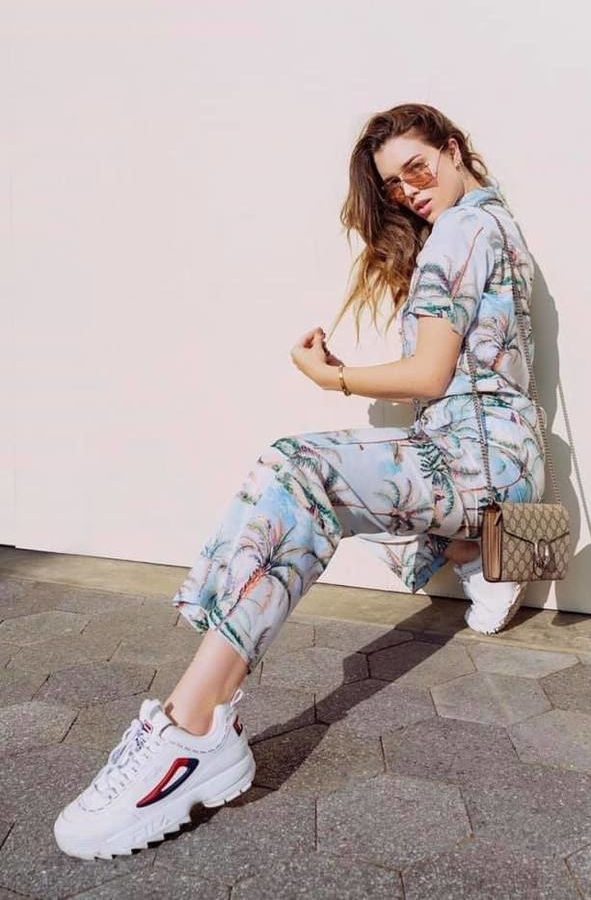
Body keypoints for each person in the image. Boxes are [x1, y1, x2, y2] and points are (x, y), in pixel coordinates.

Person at [53, 103, 545, 859]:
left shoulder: (462, 231)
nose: (409, 190)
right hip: (506, 463)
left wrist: (335, 377)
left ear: (453, 149)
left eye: (418, 167)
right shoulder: (500, 226)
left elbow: (430, 372)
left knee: (299, 471)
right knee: (349, 477)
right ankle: (477, 551)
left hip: (472, 462)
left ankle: (192, 730)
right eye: (392, 185)